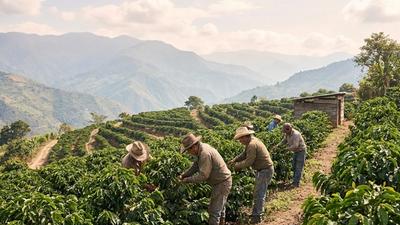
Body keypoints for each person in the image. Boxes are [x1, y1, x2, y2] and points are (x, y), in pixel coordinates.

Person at [179, 133, 232, 225]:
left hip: (222, 182)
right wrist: (184, 175)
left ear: (194, 147)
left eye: (188, 150)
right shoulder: (202, 148)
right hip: (222, 181)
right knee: (220, 208)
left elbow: (203, 175)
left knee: (214, 211)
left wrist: (187, 180)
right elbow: (195, 166)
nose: (188, 153)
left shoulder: (205, 154)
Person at [228, 127, 274, 224]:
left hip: (264, 170)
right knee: (258, 193)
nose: (240, 141)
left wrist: (237, 166)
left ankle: (257, 216)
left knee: (259, 194)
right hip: (263, 170)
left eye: (240, 139)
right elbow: (244, 154)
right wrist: (235, 160)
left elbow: (249, 162)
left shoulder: (252, 144)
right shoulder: (252, 142)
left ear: (245, 137)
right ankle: (256, 213)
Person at [280, 123, 307, 188]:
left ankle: (296, 184)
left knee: (298, 167)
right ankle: (294, 181)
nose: (285, 133)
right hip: (295, 151)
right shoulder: (287, 134)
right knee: (294, 166)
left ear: (289, 129)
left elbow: (295, 145)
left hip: (301, 151)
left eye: (285, 131)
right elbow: (284, 141)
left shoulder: (296, 134)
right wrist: (278, 146)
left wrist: (286, 149)